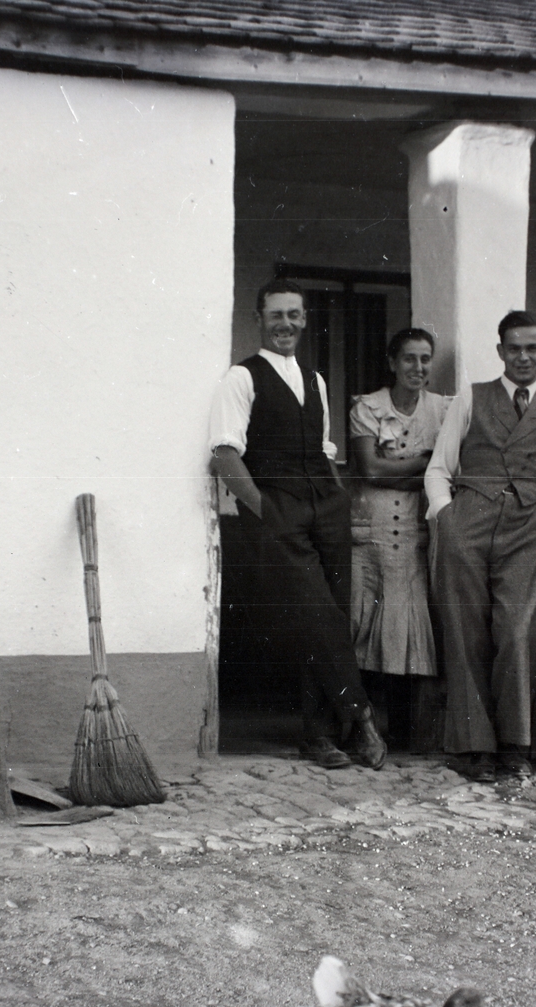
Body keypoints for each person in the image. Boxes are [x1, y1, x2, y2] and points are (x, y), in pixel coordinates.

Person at [208, 279, 387, 770]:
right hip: (279, 511)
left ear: (305, 320)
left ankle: (320, 737)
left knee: (330, 615)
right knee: (318, 615)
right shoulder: (241, 378)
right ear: (259, 319)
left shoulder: (315, 379)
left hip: (325, 509)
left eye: (294, 315)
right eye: (275, 315)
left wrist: (337, 498)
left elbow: (324, 449)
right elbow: (225, 455)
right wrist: (265, 510)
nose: (285, 323)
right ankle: (362, 716)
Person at [425, 311, 536, 781]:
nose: (523, 356)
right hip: (467, 523)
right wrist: (447, 516)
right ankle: (474, 747)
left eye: (532, 348)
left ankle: (515, 743)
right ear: (500, 351)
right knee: (465, 630)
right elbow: (439, 467)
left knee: (519, 632)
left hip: (527, 528)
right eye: (514, 347)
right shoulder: (471, 399)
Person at [348, 329, 450, 747]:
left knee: (405, 634)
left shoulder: (443, 410)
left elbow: (449, 472)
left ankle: (405, 735)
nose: (419, 368)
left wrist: (408, 470)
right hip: (368, 535)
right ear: (393, 362)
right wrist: (425, 463)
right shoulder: (368, 407)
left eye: (426, 359)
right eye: (409, 359)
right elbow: (369, 471)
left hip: (413, 536)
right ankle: (357, 729)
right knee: (360, 628)